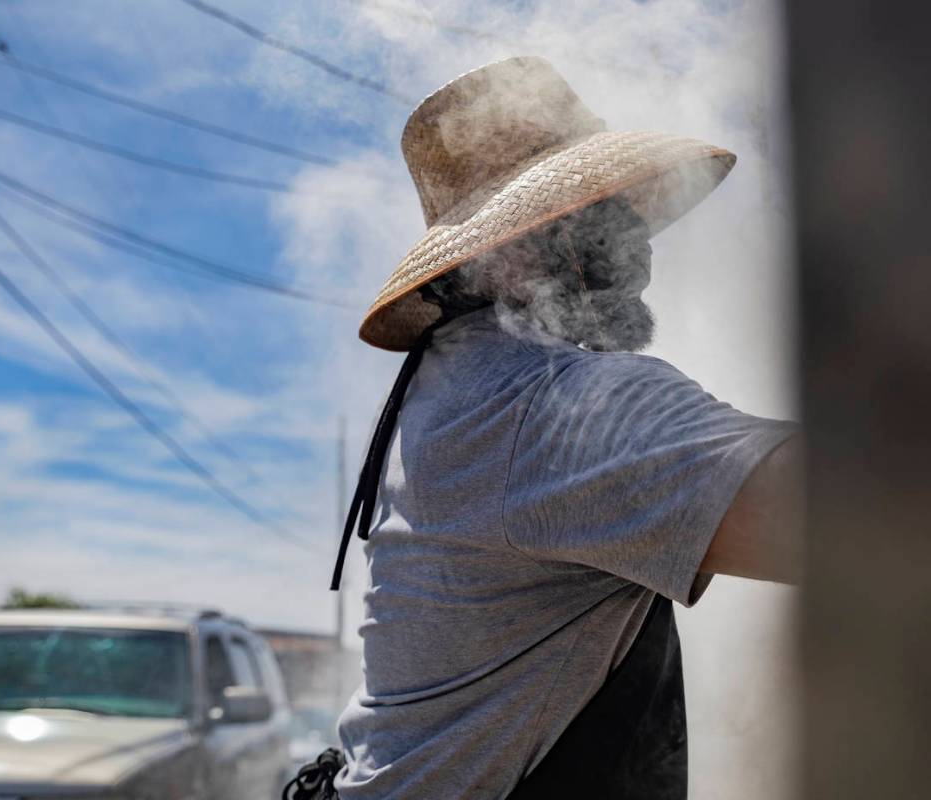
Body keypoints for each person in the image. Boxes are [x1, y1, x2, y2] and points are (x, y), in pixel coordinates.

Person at [324, 57, 802, 799]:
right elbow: (876, 522)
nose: (641, 251)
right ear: (511, 255)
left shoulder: (457, 385)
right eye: (605, 222)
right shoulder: (543, 405)